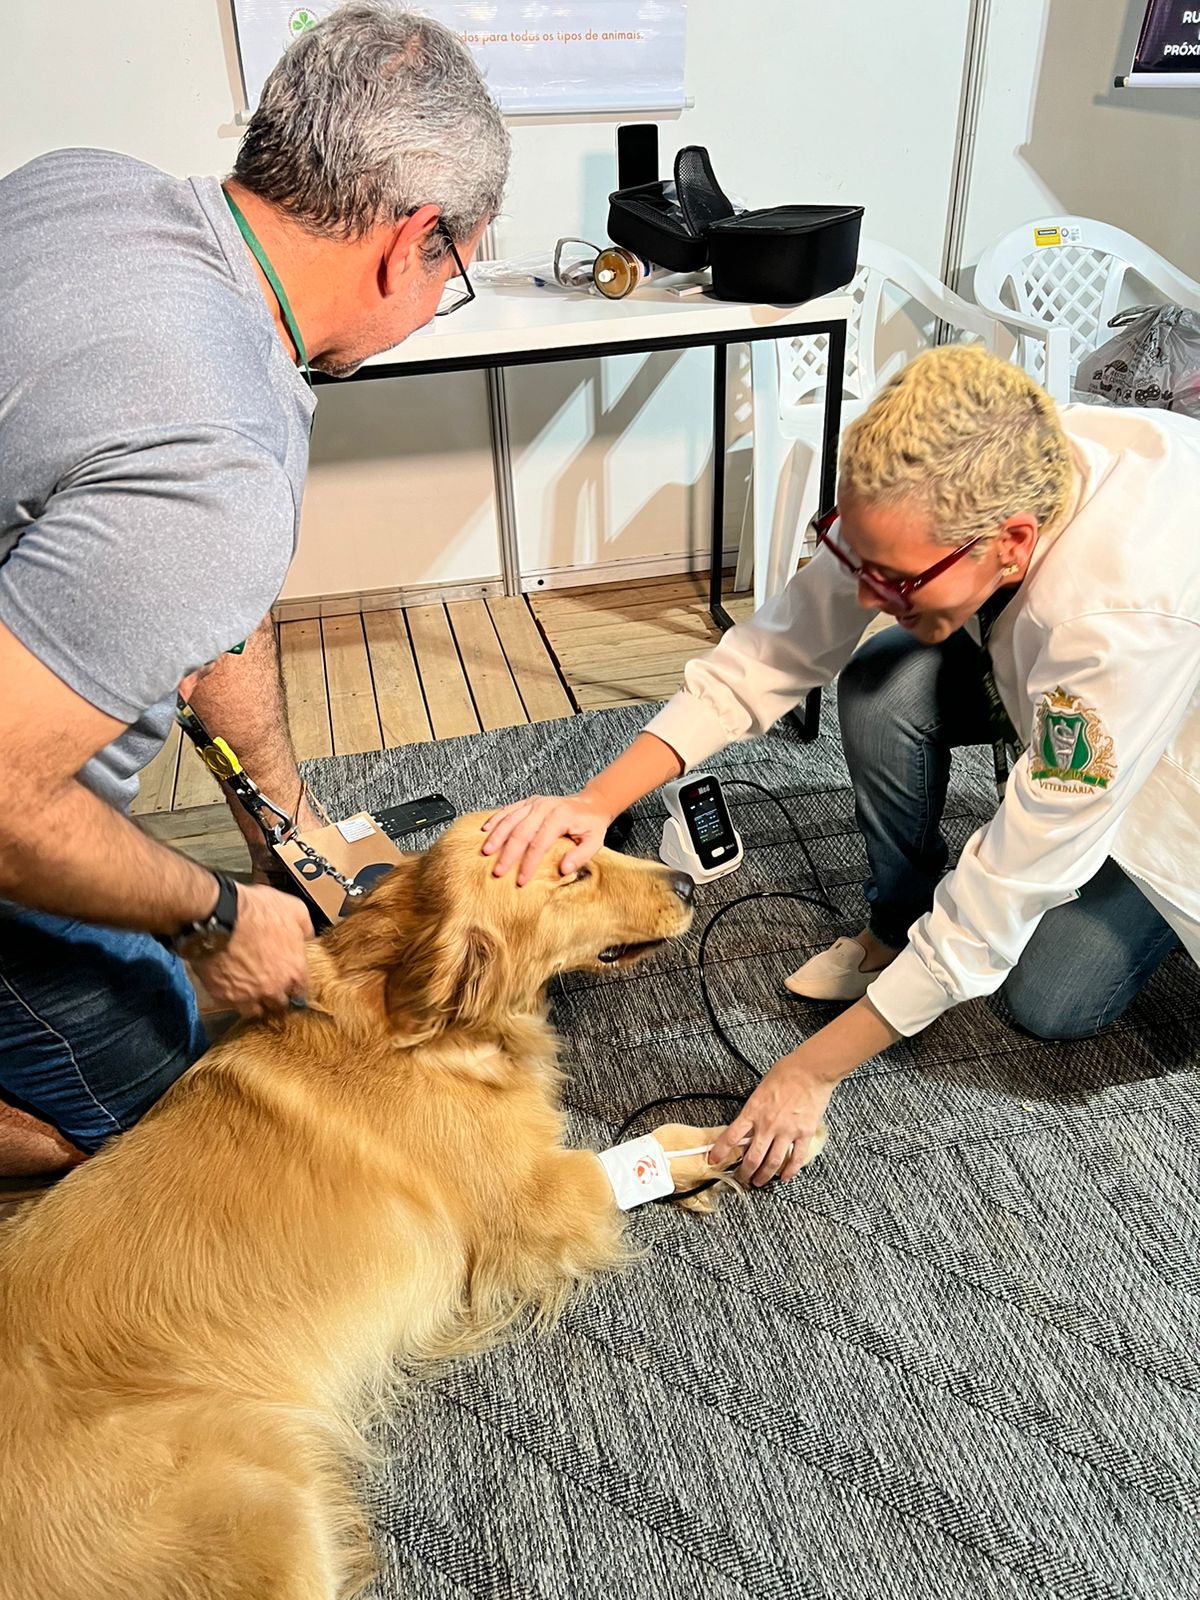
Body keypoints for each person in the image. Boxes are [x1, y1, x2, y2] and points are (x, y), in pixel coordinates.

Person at [483, 345, 1200, 1189]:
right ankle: (898, 923)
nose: (865, 598)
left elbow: (1009, 888)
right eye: (855, 558)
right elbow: (778, 651)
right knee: (883, 685)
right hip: (1068, 676)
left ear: (1011, 544)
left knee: (1047, 1000)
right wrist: (597, 800)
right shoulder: (945, 481)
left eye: (894, 579)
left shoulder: (1121, 617)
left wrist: (808, 1072)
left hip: (1173, 770)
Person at [0, 3, 509, 1173]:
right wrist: (214, 917)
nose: (438, 300)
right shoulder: (219, 455)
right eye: (456, 276)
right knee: (159, 1101)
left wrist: (291, 833)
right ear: (412, 244)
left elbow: (201, 604)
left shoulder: (88, 184)